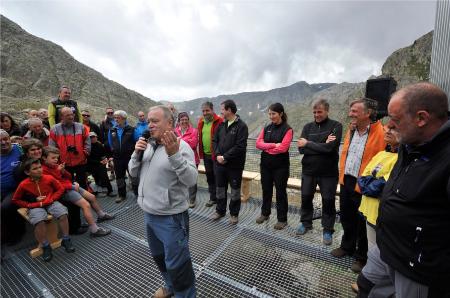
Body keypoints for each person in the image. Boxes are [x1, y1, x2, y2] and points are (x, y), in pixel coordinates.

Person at [357, 83, 450, 298]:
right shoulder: (410, 143)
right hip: (386, 248)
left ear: (421, 118)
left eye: (396, 120)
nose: (389, 126)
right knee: (366, 287)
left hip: (417, 269)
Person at [129, 105, 197, 297]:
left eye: (155, 121)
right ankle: (170, 287)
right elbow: (132, 173)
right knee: (160, 258)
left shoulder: (181, 147)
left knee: (179, 265)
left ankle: (185, 294)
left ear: (169, 123)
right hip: (149, 215)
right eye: (149, 121)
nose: (150, 125)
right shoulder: (148, 145)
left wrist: (174, 154)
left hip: (171, 219)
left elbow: (191, 180)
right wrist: (136, 154)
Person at [330, 98, 385, 274]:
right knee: (347, 217)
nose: (350, 114)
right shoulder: (351, 130)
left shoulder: (380, 133)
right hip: (347, 180)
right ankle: (347, 247)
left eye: (354, 111)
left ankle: (362, 257)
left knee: (363, 222)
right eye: (350, 110)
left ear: (367, 113)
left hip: (364, 184)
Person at [296, 99, 342, 245]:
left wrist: (309, 143)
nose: (316, 114)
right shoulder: (307, 127)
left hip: (328, 173)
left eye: (319, 112)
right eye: (314, 112)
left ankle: (327, 229)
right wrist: (323, 143)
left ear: (327, 111)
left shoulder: (336, 126)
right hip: (308, 171)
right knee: (306, 198)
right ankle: (306, 222)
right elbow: (301, 149)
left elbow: (330, 149)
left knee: (328, 201)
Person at [12, 158, 76, 262]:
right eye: (35, 169)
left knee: (63, 213)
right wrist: (29, 204)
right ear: (27, 172)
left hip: (51, 202)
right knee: (38, 221)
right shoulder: (23, 184)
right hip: (35, 206)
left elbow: (60, 189)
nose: (39, 170)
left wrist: (53, 198)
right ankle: (46, 246)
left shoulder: (49, 178)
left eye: (40, 167)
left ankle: (66, 239)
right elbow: (16, 199)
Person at [41, 146, 113, 237]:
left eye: (57, 157)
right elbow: (54, 185)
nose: (56, 160)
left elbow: (68, 177)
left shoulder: (55, 166)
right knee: (85, 205)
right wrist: (68, 182)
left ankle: (101, 215)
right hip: (64, 191)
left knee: (92, 197)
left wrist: (63, 171)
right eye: (53, 158)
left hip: (70, 186)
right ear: (44, 158)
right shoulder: (43, 170)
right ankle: (94, 230)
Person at [49, 107, 90, 234]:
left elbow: (87, 141)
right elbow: (51, 147)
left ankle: (82, 215)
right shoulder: (55, 129)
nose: (71, 117)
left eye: (72, 114)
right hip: (64, 166)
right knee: (70, 193)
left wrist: (84, 153)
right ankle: (74, 224)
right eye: (67, 115)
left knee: (82, 188)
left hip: (80, 163)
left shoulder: (81, 127)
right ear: (61, 117)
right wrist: (58, 161)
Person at [255, 103, 293, 230]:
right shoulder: (267, 127)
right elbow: (258, 144)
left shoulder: (287, 129)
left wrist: (267, 147)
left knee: (280, 192)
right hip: (266, 165)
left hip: (280, 166)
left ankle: (282, 219)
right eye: (270, 114)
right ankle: (265, 213)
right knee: (266, 190)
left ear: (281, 114)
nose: (271, 116)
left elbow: (283, 148)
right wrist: (272, 146)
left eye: (274, 114)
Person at [211, 99, 248, 225]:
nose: (220, 112)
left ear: (229, 110)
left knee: (235, 191)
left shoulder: (241, 126)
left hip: (234, 166)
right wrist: (217, 154)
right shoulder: (221, 125)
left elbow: (240, 146)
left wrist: (225, 157)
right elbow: (214, 140)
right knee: (220, 188)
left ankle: (234, 214)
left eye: (222, 109)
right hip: (219, 165)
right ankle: (220, 211)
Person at [0, 129, 26, 245]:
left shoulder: (19, 149)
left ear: (10, 139)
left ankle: (17, 233)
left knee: (5, 207)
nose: (3, 142)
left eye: (5, 139)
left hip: (16, 188)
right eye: (0, 141)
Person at [197, 101, 223, 207]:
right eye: (203, 111)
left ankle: (220, 200)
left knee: (218, 177)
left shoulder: (219, 121)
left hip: (216, 155)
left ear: (212, 110)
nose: (205, 113)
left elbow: (223, 138)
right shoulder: (201, 122)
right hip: (206, 155)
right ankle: (213, 198)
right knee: (210, 177)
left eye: (207, 110)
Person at [107, 110, 136, 203]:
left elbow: (137, 141)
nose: (116, 119)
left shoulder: (131, 129)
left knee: (133, 175)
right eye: (115, 118)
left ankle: (138, 193)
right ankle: (122, 194)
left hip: (129, 157)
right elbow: (110, 143)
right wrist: (114, 151)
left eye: (118, 118)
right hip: (117, 158)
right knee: (119, 177)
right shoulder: (112, 130)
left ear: (124, 119)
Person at [175, 111, 199, 208]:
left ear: (188, 120)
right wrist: (186, 140)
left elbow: (193, 144)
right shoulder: (175, 131)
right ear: (179, 121)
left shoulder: (194, 131)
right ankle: (182, 197)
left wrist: (180, 140)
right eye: (182, 120)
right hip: (178, 158)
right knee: (179, 178)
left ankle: (192, 199)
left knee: (192, 179)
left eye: (186, 119)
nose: (184, 121)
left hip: (192, 159)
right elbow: (173, 143)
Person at [86, 132, 115, 197]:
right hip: (91, 164)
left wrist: (105, 160)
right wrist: (100, 162)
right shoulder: (88, 147)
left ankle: (109, 190)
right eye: (91, 137)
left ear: (96, 137)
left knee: (103, 171)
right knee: (99, 171)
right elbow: (88, 159)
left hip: (100, 163)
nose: (93, 139)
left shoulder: (100, 145)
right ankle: (100, 188)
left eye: (94, 137)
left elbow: (104, 154)